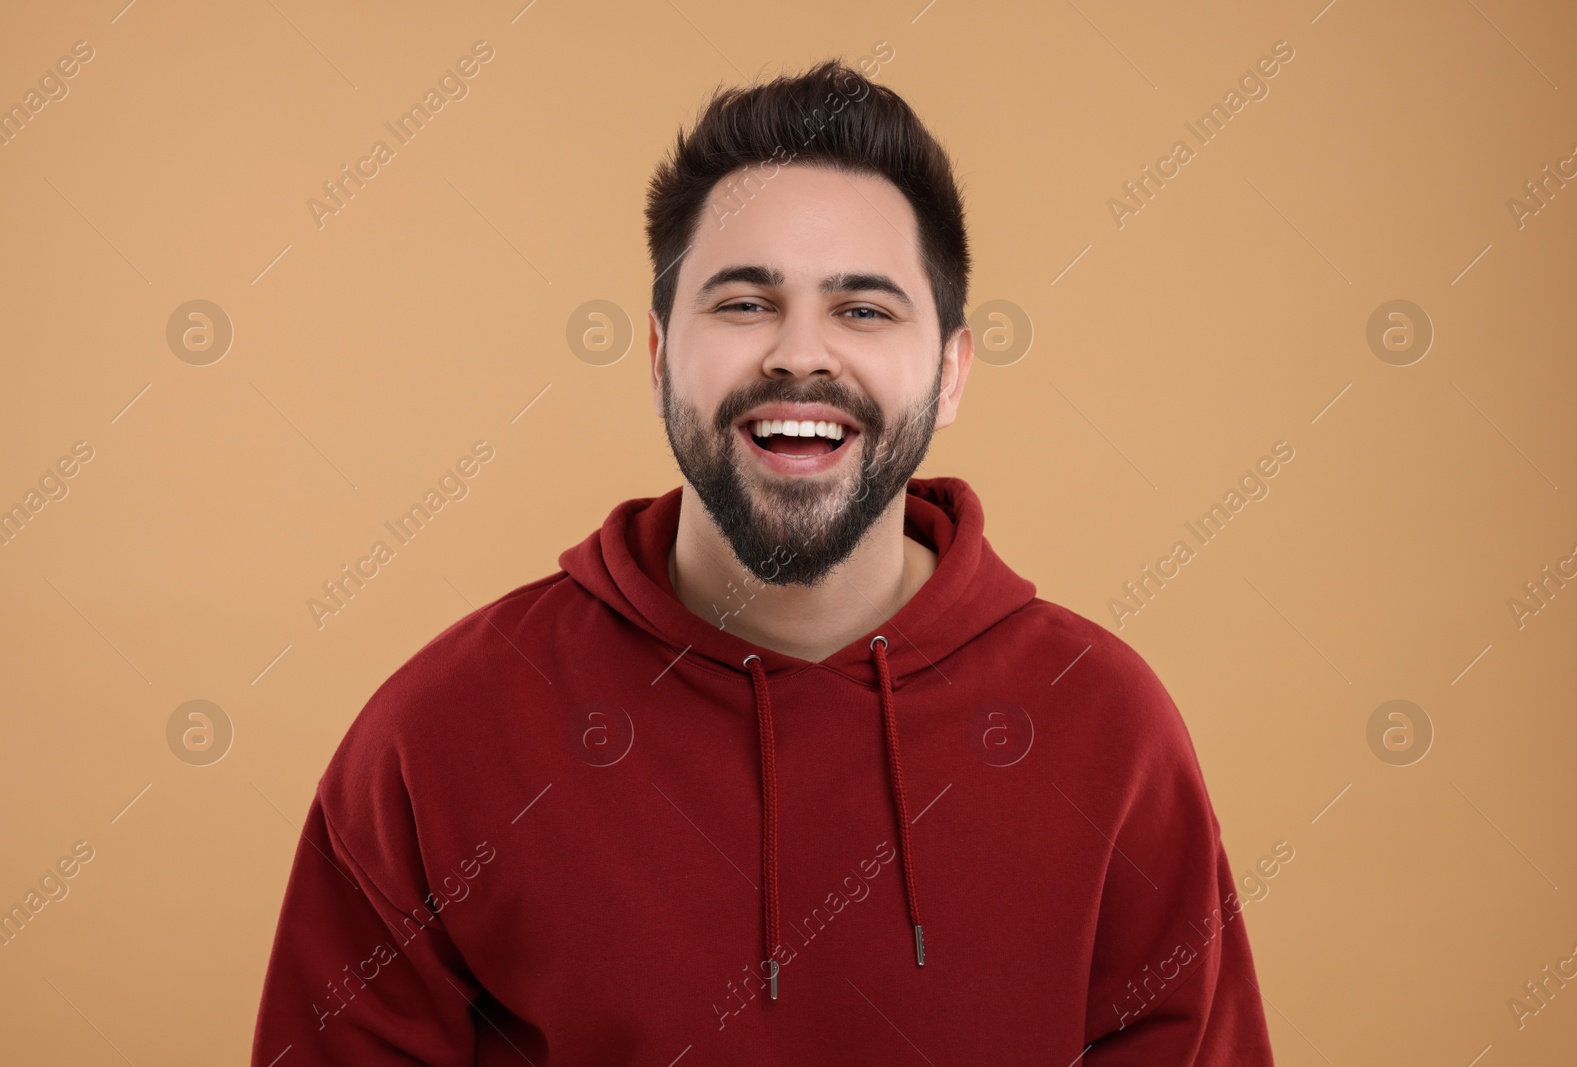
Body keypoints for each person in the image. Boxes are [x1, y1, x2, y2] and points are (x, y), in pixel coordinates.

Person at [251, 57, 1276, 1065]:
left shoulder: (1108, 729)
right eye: (744, 303)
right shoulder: (443, 732)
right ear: (658, 357)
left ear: (951, 370)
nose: (798, 353)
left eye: (863, 309)